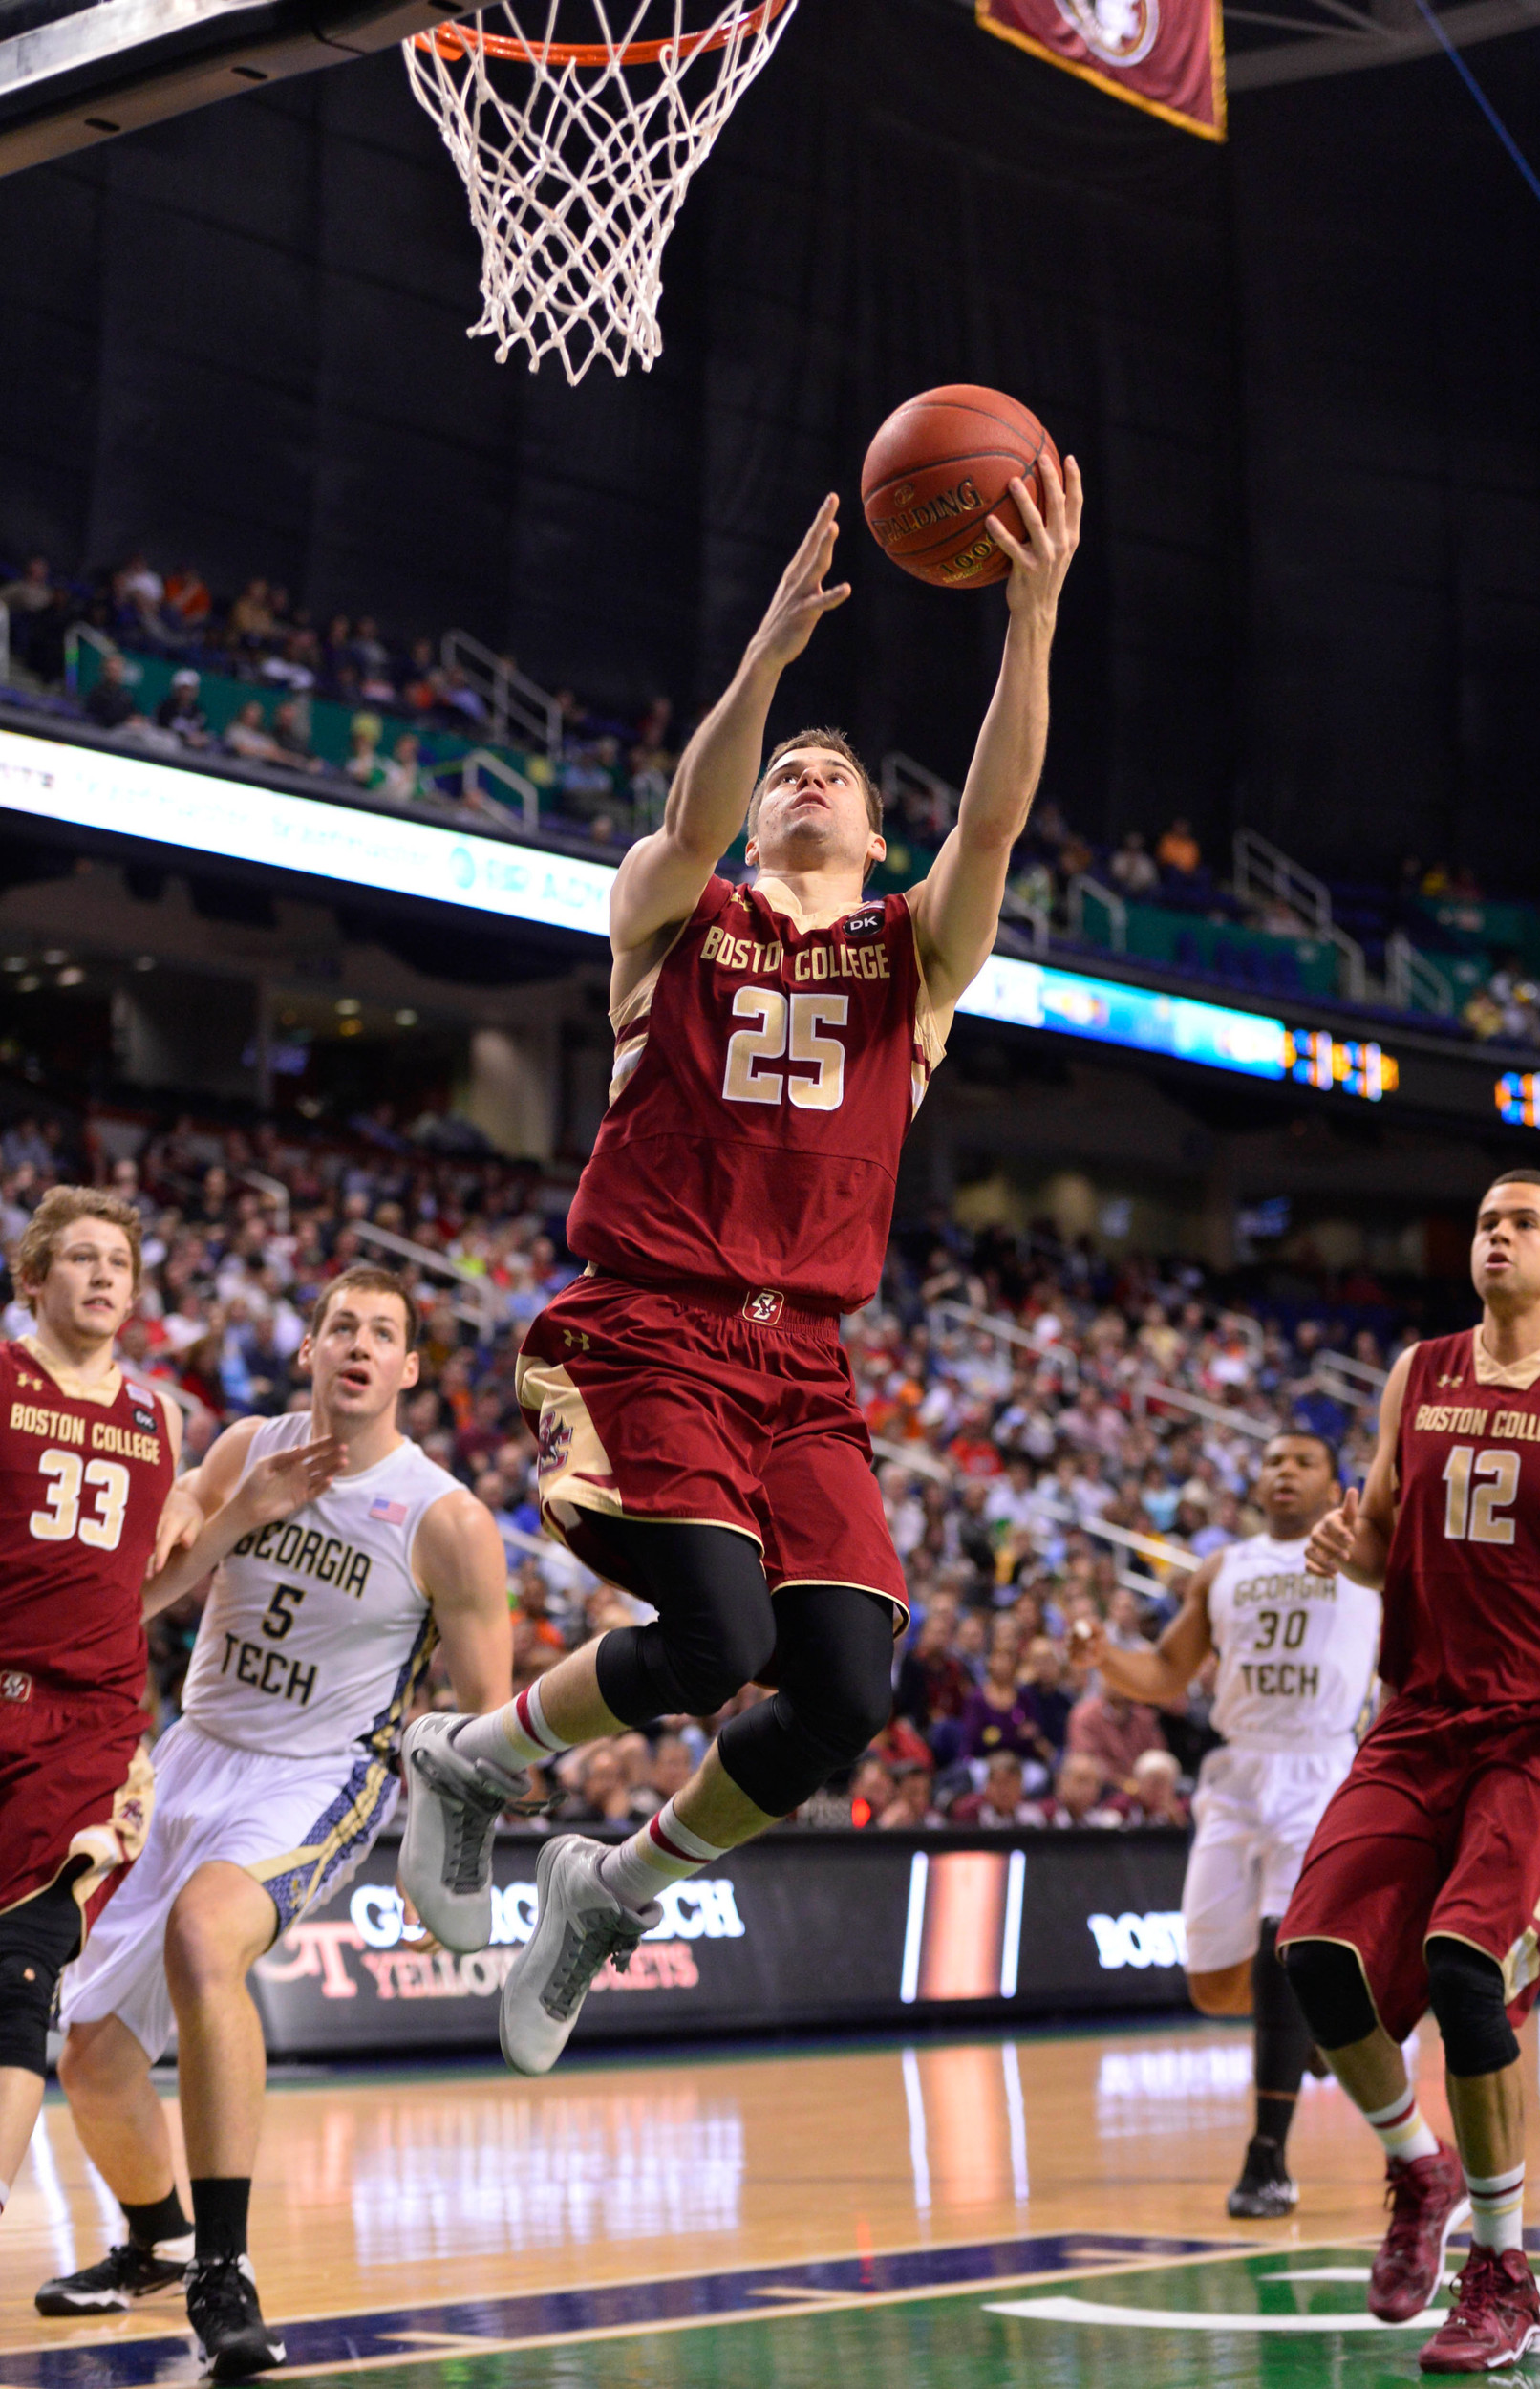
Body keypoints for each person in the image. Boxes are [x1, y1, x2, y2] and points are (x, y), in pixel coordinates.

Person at [399, 457, 1084, 2071]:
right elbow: (687, 810)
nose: (809, 775)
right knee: (717, 1636)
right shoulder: (670, 908)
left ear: (870, 824)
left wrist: (1032, 616)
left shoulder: (913, 955)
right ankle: (474, 1763)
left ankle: (612, 1885)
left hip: (804, 1365)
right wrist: (765, 663)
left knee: (841, 1689)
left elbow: (992, 813)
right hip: (645, 1323)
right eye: (790, 764)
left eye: (836, 769)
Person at [37, 1266, 511, 2382]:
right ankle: (154, 2241)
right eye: (340, 1323)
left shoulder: (445, 1517)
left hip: (320, 1774)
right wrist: (234, 1508)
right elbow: (135, 1601)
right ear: (307, 1350)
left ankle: (223, 2266)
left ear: (404, 1371)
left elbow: (488, 1719)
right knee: (92, 2057)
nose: (358, 1342)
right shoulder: (244, 1445)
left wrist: (453, 1842)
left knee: (206, 1939)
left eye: (383, 1332)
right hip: (189, 1755)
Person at [1280, 1172, 1540, 2373]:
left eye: (1520, 1224)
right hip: (1421, 1714)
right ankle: (1419, 2164)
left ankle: (1505, 2273)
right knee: (1315, 1952)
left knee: (1468, 1969)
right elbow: (1381, 1537)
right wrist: (1344, 1545)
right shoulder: (1420, 1370)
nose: (1495, 1237)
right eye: (1482, 1223)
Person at [1070, 1431, 1379, 2218]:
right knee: (1212, 1984)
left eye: (1302, 1461)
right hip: (1237, 1770)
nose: (1283, 1472)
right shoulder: (1223, 1567)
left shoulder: (1368, 1556)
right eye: (1272, 1460)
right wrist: (1106, 1656)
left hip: (1318, 1766)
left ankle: (1266, 2158)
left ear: (1330, 1479)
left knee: (1284, 1946)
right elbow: (1169, 1672)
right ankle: (1309, 2027)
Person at [0, 1192, 184, 2229]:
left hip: (85, 1727)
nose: (104, 1275)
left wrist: (233, 1504)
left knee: (20, 1978)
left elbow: (138, 1582)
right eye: (79, 1257)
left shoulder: (158, 1415)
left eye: (119, 1259)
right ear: (34, 1278)